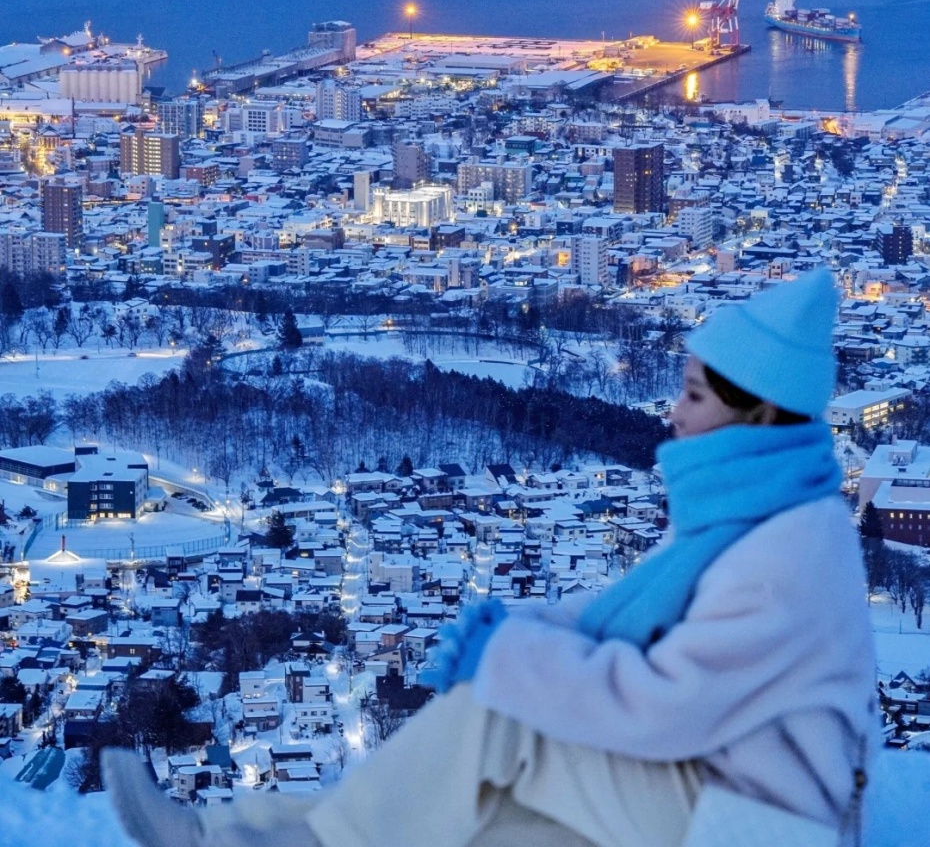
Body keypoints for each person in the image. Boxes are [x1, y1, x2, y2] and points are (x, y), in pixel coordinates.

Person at [104, 269, 877, 847]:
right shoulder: (758, 508)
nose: (674, 412)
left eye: (695, 396)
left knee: (493, 718)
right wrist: (523, 625)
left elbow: (661, 705)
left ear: (763, 411)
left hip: (750, 814)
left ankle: (251, 840)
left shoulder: (787, 550)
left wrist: (510, 656)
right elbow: (622, 619)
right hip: (709, 781)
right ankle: (228, 834)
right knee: (473, 820)